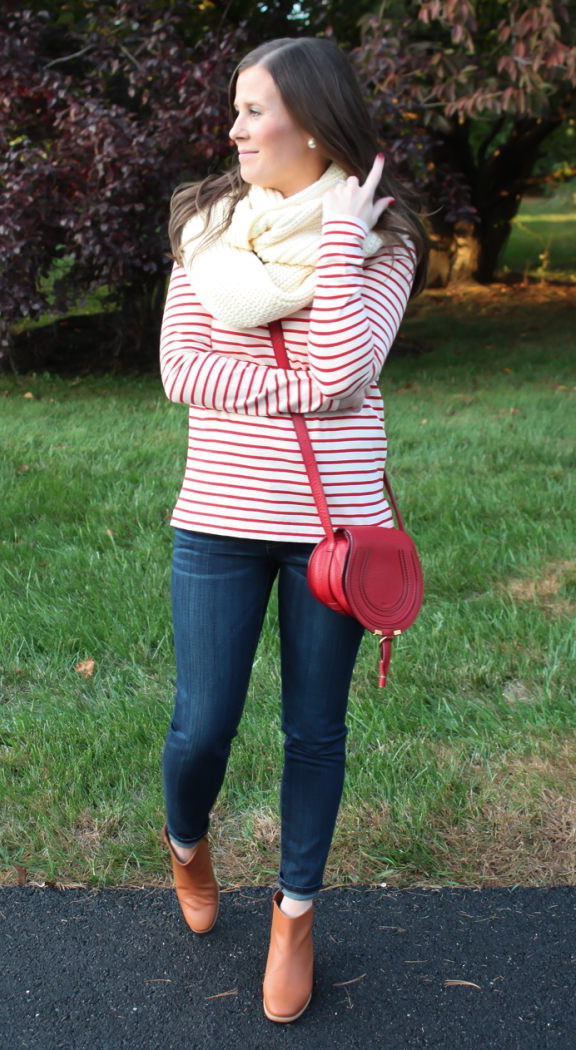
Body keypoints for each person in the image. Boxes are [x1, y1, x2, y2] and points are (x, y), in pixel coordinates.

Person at [158, 36, 428, 1024]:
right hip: (221, 519)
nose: (233, 129)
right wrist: (295, 388)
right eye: (234, 108)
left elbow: (348, 371)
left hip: (334, 534)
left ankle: (294, 915)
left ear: (311, 122)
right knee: (203, 725)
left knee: (315, 729)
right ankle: (185, 840)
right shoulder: (206, 227)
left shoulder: (384, 235)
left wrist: (343, 248)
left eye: (252, 109)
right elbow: (183, 371)